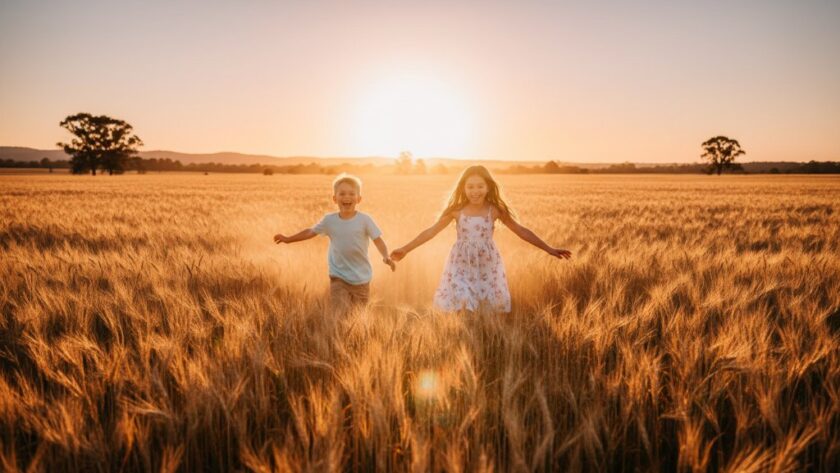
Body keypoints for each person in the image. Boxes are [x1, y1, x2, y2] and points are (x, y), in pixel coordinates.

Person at [390, 165, 571, 313]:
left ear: (488, 187)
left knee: (487, 304)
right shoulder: (456, 210)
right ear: (463, 188)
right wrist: (406, 249)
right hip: (461, 263)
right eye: (470, 187)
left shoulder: (494, 210)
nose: (475, 191)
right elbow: (430, 232)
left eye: (480, 186)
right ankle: (465, 339)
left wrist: (549, 249)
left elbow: (521, 231)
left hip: (488, 264)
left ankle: (484, 340)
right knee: (462, 300)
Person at [274, 173, 395, 314]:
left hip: (362, 278)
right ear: (334, 199)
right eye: (342, 194)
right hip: (339, 277)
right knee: (339, 312)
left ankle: (352, 336)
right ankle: (336, 332)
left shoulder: (365, 220)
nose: (347, 197)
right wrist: (288, 239)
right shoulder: (329, 221)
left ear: (359, 199)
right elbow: (310, 232)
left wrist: (386, 256)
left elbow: (378, 240)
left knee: (359, 315)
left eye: (351, 194)